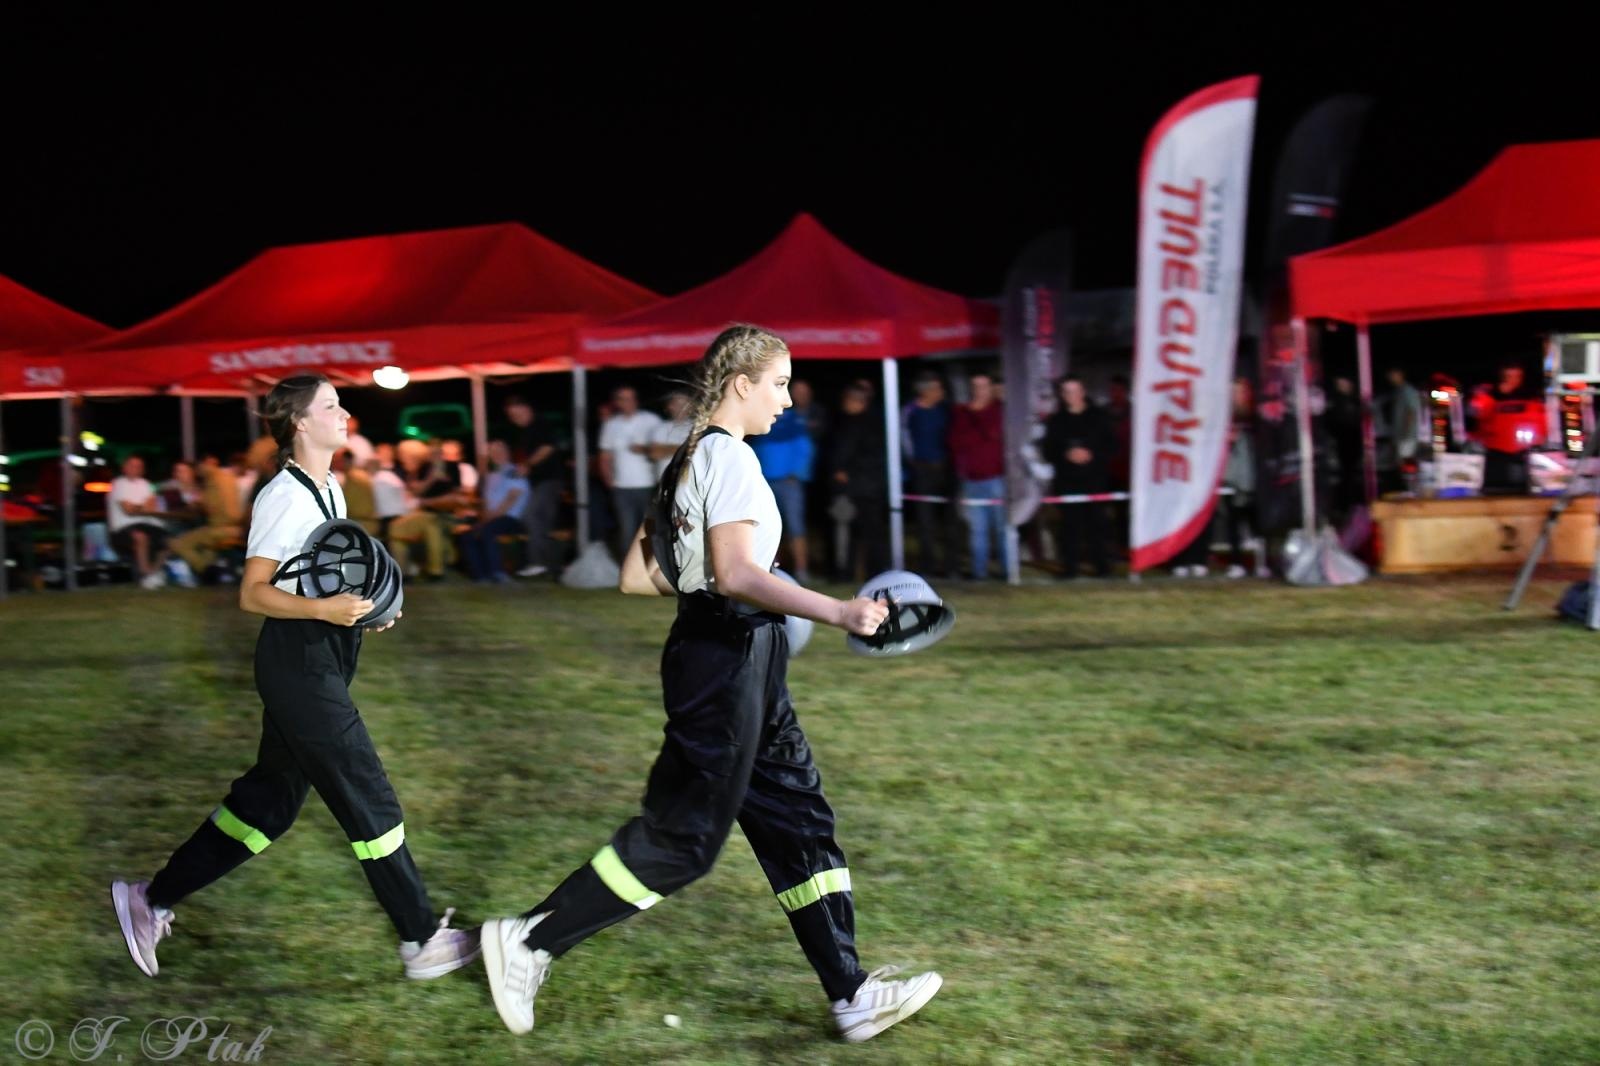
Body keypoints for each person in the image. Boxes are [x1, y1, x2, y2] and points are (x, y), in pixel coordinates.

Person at [477, 326, 942, 1043]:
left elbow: (639, 578)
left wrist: (722, 588)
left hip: (734, 653)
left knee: (797, 819)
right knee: (686, 838)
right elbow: (736, 573)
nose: (787, 400)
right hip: (724, 659)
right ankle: (531, 939)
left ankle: (851, 992)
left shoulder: (688, 457)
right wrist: (836, 609)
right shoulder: (729, 457)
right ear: (741, 384)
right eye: (779, 384)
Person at [110, 375, 477, 982]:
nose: (345, 412)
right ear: (300, 422)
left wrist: (367, 610)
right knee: (367, 794)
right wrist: (324, 612)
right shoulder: (283, 495)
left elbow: (324, 576)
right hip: (297, 666)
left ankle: (149, 900)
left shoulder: (329, 486)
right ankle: (420, 940)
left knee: (267, 807)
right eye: (331, 405)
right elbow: (253, 593)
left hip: (320, 657)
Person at [1042, 376, 1113, 578]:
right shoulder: (1056, 421)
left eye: (1074, 390)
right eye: (1066, 391)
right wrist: (1066, 455)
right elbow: (1048, 451)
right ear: (1062, 395)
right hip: (1068, 482)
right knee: (1070, 527)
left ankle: (1102, 568)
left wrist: (1092, 454)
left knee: (1097, 525)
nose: (1071, 395)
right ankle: (1070, 569)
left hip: (1095, 480)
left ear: (1083, 392)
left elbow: (1112, 446)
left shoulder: (1099, 417)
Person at [948, 372, 1009, 581]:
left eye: (984, 386)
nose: (979, 391)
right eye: (975, 386)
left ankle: (1008, 571)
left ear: (991, 388)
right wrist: (981, 436)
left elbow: (997, 434)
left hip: (998, 478)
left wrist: (979, 435)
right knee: (977, 530)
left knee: (1002, 529)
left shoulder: (1000, 411)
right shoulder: (961, 412)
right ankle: (979, 573)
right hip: (971, 481)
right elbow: (956, 442)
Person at [827, 384, 889, 581]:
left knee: (870, 533)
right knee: (848, 533)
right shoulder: (844, 423)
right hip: (851, 489)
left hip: (865, 489)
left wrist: (847, 472)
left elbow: (873, 457)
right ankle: (846, 571)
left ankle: (874, 572)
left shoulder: (871, 426)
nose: (844, 403)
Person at [749, 400, 815, 582]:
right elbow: (756, 450)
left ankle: (801, 570)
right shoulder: (762, 420)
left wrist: (798, 473)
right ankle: (770, 570)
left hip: (788, 483)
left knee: (795, 527)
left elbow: (805, 449)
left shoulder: (794, 421)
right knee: (766, 528)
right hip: (765, 482)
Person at [597, 386, 662, 560]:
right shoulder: (611, 425)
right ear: (617, 402)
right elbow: (605, 455)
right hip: (621, 486)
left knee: (649, 528)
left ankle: (651, 565)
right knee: (626, 529)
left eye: (631, 398)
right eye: (623, 399)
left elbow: (663, 449)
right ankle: (628, 567)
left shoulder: (652, 420)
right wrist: (608, 479)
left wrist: (645, 449)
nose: (628, 402)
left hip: (648, 483)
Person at [903, 373, 957, 578]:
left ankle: (951, 566)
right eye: (936, 388)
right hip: (923, 470)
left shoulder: (946, 410)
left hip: (945, 469)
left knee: (950, 520)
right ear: (925, 391)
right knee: (925, 521)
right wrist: (914, 462)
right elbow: (903, 438)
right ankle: (928, 565)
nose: (941, 392)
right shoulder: (911, 411)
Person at [503, 395, 563, 579]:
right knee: (542, 522)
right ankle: (552, 566)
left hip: (549, 480)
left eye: (517, 414)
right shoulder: (526, 431)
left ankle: (538, 562)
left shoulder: (540, 424)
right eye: (511, 416)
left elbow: (548, 447)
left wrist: (528, 464)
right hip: (537, 482)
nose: (515, 419)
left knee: (531, 516)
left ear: (527, 409)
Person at [460, 440, 528, 584]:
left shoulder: (513, 472)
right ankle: (480, 576)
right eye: (494, 452)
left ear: (507, 453)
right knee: (467, 535)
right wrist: (482, 520)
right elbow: (485, 503)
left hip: (511, 518)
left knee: (487, 531)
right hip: (493, 519)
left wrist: (489, 518)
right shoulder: (491, 476)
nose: (497, 455)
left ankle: (498, 572)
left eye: (500, 451)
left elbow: (512, 498)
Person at [170, 457, 244, 581]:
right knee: (207, 548)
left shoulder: (212, 482)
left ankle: (208, 571)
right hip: (235, 528)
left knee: (178, 544)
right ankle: (215, 572)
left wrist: (197, 503)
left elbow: (209, 508)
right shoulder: (229, 477)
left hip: (220, 529)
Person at [108, 455, 173, 590]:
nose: (135, 468)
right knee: (141, 537)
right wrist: (143, 506)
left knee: (171, 541)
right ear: (124, 468)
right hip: (122, 528)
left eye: (139, 466)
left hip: (147, 524)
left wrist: (137, 507)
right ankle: (146, 574)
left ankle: (153, 572)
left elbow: (152, 506)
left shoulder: (146, 484)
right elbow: (128, 511)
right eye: (132, 465)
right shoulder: (118, 484)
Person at [643, 390, 694, 482]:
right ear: (670, 406)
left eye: (685, 405)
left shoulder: (697, 427)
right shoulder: (661, 428)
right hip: (665, 481)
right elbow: (654, 454)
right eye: (677, 404)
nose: (682, 408)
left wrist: (666, 449)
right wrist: (686, 448)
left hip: (690, 481)